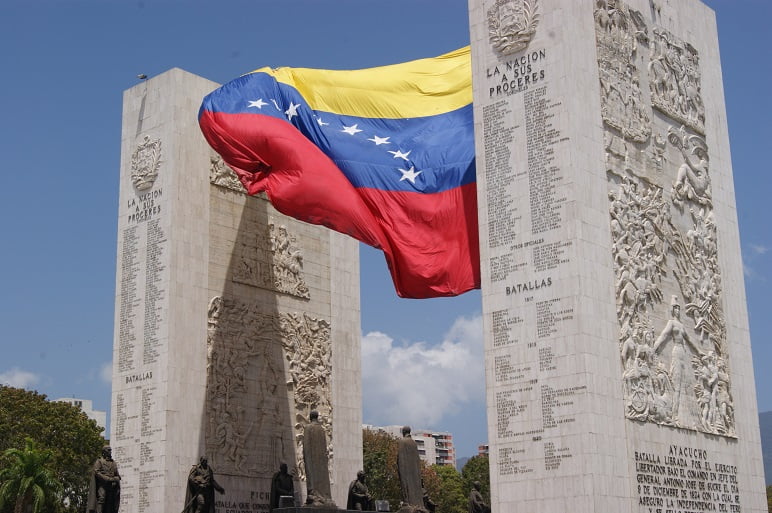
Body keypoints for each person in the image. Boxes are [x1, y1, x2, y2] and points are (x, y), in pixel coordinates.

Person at [303, 410, 334, 506]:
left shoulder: (308, 428)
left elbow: (306, 446)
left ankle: (314, 495)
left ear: (310, 417)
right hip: (321, 461)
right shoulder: (321, 429)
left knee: (312, 476)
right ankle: (324, 496)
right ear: (317, 417)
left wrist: (306, 457)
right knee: (322, 477)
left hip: (312, 459)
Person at [87, 445, 121, 513]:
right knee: (101, 499)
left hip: (111, 487)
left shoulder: (113, 463)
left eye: (110, 450)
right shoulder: (99, 461)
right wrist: (107, 478)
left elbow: (117, 475)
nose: (110, 452)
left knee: (109, 502)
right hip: (102, 485)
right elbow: (97, 472)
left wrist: (115, 479)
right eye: (108, 450)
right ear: (104, 451)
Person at [396, 426, 423, 509]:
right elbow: (417, 459)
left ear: (403, 432)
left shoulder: (402, 441)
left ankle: (407, 502)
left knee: (406, 486)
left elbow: (400, 457)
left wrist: (400, 469)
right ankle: (417, 504)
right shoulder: (414, 443)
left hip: (405, 470)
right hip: (415, 472)